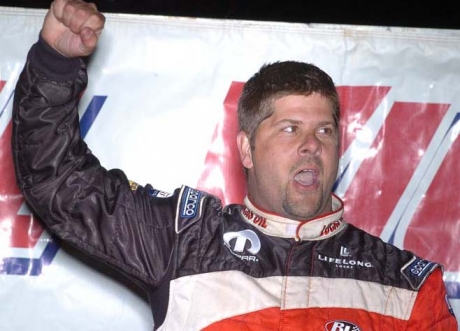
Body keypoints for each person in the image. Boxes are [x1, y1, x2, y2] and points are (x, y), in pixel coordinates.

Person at [12, 0, 458, 330]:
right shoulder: (183, 241)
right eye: (289, 129)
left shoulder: (408, 287)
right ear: (246, 149)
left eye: (324, 131)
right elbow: (59, 181)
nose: (310, 146)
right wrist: (56, 61)